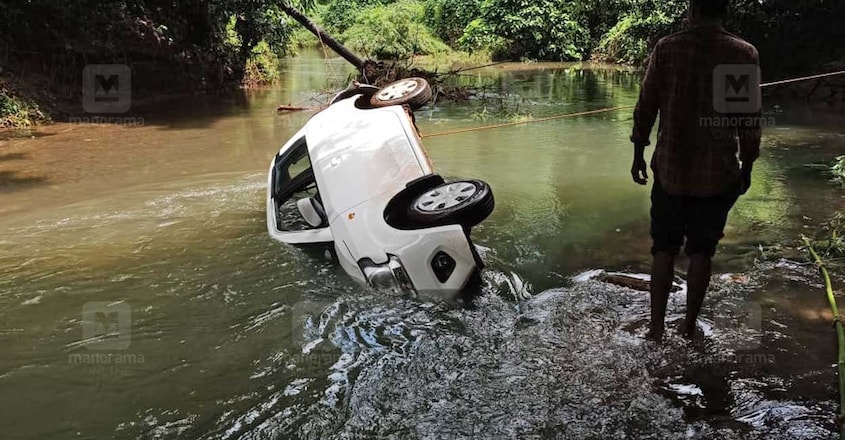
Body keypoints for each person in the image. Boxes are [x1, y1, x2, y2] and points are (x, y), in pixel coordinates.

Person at [629, 0, 762, 341]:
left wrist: (638, 152)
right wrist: (747, 165)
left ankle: (655, 329)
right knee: (702, 251)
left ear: (691, 9)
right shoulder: (742, 54)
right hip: (717, 174)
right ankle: (688, 327)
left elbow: (646, 105)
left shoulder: (668, 49)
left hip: (670, 171)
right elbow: (748, 120)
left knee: (663, 248)